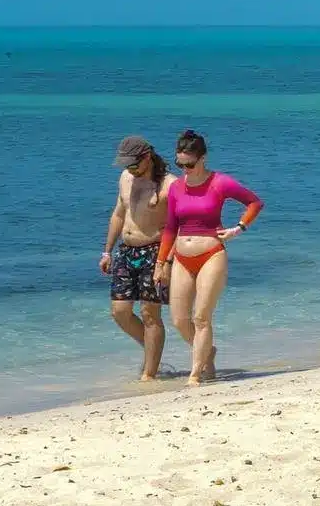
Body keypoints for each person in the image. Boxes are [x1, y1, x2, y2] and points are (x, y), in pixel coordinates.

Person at [154, 129, 263, 386]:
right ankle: (207, 353)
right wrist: (161, 263)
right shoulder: (176, 188)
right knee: (179, 320)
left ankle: (195, 375)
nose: (185, 169)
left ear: (203, 158)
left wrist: (238, 228)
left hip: (211, 255)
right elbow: (170, 228)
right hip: (181, 258)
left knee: (201, 318)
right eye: (180, 164)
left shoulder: (220, 182)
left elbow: (254, 202)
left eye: (189, 164)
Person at [100, 135, 178, 381]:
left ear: (147, 157)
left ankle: (149, 375)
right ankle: (152, 350)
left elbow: (177, 226)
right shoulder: (125, 177)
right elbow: (118, 214)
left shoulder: (169, 185)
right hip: (126, 250)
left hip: (155, 251)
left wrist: (165, 263)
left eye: (133, 164)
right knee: (120, 311)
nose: (130, 169)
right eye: (126, 164)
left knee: (149, 314)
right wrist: (107, 251)